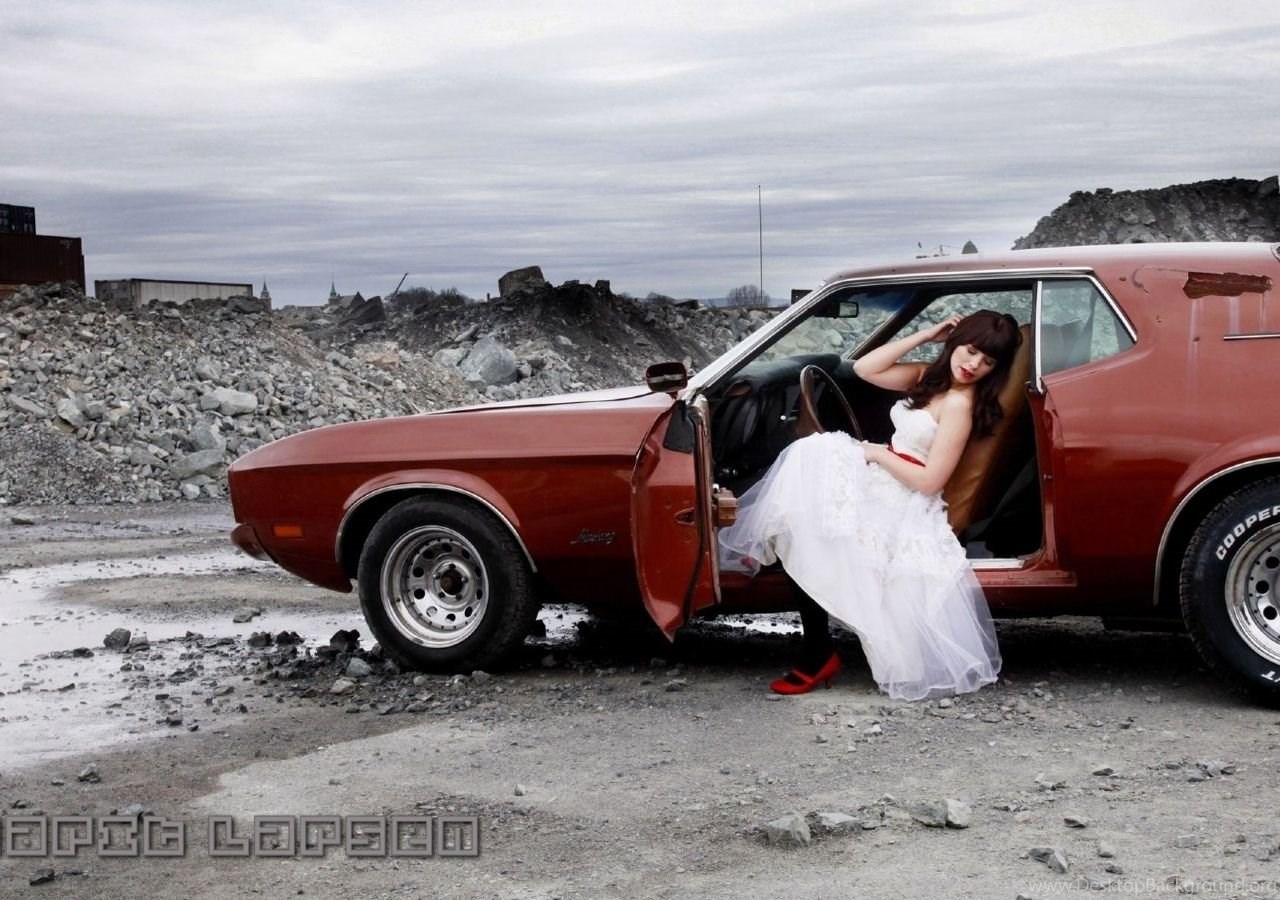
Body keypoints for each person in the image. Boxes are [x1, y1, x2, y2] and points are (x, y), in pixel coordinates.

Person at [718, 309, 1022, 700]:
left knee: (808, 499)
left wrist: (876, 454)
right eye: (970, 350)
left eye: (988, 361)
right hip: (885, 476)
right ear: (955, 343)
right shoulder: (927, 377)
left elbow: (930, 482)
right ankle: (814, 643)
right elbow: (864, 369)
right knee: (807, 474)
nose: (974, 365)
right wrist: (925, 335)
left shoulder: (960, 404)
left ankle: (816, 652)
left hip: (907, 497)